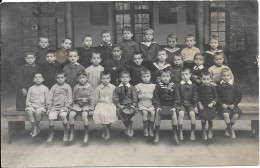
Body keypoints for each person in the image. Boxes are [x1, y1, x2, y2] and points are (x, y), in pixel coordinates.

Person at [152, 69, 180, 144]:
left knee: (174, 114)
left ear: (170, 77)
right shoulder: (158, 86)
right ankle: (156, 133)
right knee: (157, 114)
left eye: (167, 76)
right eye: (163, 76)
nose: (165, 78)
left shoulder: (174, 86)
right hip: (161, 105)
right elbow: (156, 98)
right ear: (160, 77)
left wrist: (174, 107)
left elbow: (177, 98)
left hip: (171, 105)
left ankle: (175, 133)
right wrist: (157, 107)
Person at [69, 70, 95, 144]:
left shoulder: (89, 87)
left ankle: (86, 133)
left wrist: (92, 108)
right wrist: (70, 106)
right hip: (78, 104)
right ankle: (72, 132)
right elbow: (73, 97)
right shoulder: (76, 87)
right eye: (80, 78)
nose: (82, 79)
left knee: (84, 115)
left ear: (87, 78)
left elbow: (92, 98)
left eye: (83, 77)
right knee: (71, 115)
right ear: (77, 79)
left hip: (87, 105)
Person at [46, 71, 72, 142]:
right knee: (51, 117)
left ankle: (66, 133)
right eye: (58, 78)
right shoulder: (54, 87)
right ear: (56, 79)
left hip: (64, 106)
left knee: (63, 116)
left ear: (65, 78)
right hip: (55, 107)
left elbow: (69, 97)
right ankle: (51, 133)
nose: (60, 79)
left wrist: (66, 106)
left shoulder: (67, 86)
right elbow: (49, 98)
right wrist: (49, 107)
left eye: (62, 77)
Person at [217, 68, 242, 139]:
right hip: (223, 105)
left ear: (231, 76)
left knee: (236, 115)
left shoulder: (235, 85)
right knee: (225, 114)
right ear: (221, 76)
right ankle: (231, 131)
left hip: (232, 105)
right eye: (224, 76)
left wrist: (234, 104)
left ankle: (228, 128)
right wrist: (222, 104)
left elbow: (238, 96)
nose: (226, 77)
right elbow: (217, 97)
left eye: (228, 75)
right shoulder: (219, 86)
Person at [113, 71, 138, 138]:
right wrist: (119, 105)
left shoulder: (132, 88)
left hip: (130, 105)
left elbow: (135, 98)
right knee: (120, 112)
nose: (124, 79)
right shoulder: (117, 88)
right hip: (122, 105)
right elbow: (115, 98)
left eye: (126, 77)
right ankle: (128, 127)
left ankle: (129, 127)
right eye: (123, 77)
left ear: (129, 78)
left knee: (132, 113)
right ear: (120, 79)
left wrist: (133, 105)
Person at [93, 71, 117, 140]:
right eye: (103, 78)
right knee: (101, 114)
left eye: (107, 78)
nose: (105, 80)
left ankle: (105, 130)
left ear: (110, 79)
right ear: (100, 79)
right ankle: (108, 131)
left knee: (109, 114)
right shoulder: (98, 88)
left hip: (110, 104)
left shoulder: (113, 87)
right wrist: (94, 106)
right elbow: (96, 98)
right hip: (101, 104)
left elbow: (115, 98)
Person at [177, 68, 198, 141]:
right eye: (182, 74)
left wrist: (195, 106)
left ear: (190, 75)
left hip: (190, 104)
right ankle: (180, 131)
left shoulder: (193, 85)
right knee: (181, 113)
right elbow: (177, 96)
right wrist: (178, 105)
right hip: (182, 104)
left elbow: (195, 96)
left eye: (186, 74)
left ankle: (192, 131)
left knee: (192, 114)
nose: (184, 76)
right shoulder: (179, 85)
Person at [26, 73, 49, 137]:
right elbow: (28, 98)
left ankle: (37, 127)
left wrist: (48, 107)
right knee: (29, 112)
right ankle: (35, 128)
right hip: (32, 105)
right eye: (36, 77)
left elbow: (47, 99)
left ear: (43, 79)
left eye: (40, 77)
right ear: (33, 80)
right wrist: (28, 105)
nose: (38, 79)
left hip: (41, 106)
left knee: (38, 112)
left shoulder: (45, 88)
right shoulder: (31, 88)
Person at [197, 71, 218, 140]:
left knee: (211, 119)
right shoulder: (199, 88)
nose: (205, 81)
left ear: (210, 79)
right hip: (203, 105)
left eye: (207, 79)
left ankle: (210, 130)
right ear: (200, 79)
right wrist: (199, 103)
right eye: (204, 79)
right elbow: (197, 97)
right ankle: (203, 131)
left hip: (211, 105)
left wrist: (212, 103)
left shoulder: (212, 87)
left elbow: (216, 97)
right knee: (203, 118)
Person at [135, 69, 156, 138]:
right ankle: (145, 129)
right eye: (144, 77)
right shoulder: (138, 86)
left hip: (150, 103)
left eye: (147, 76)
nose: (146, 78)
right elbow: (135, 96)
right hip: (142, 103)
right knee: (145, 112)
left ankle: (151, 129)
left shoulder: (153, 86)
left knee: (153, 113)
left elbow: (155, 96)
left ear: (150, 77)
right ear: (141, 77)